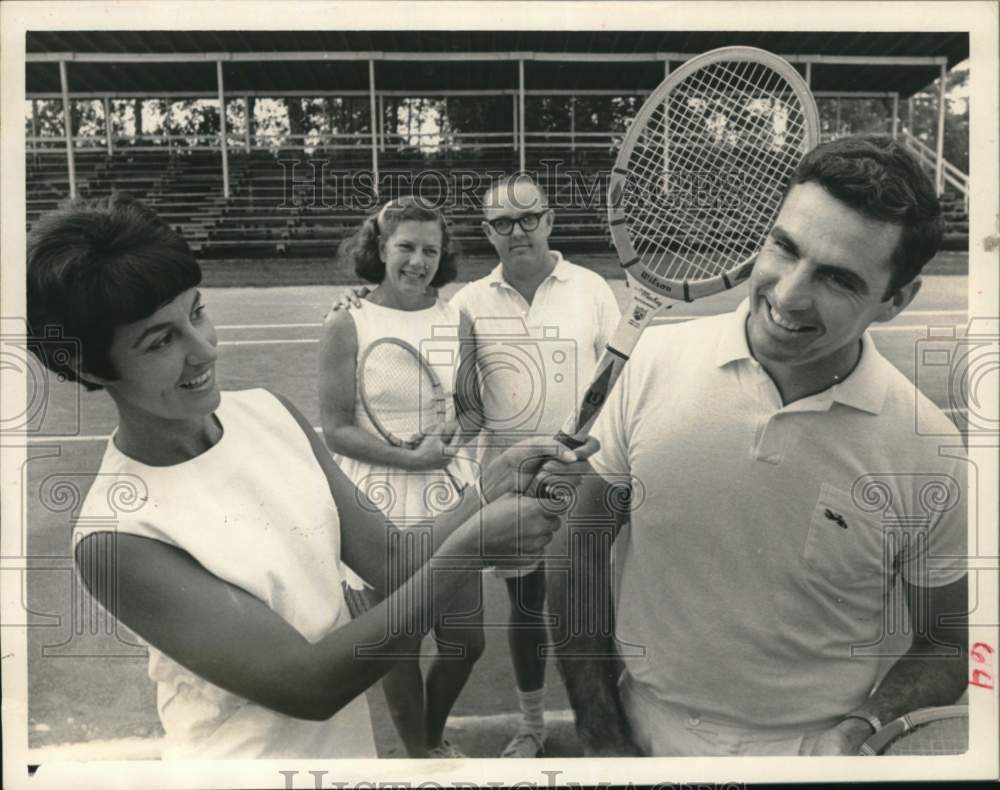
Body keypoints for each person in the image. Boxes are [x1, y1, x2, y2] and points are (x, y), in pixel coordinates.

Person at [26, 193, 591, 760]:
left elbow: (394, 563)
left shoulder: (267, 412)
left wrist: (487, 488)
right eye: (161, 340)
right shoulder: (116, 535)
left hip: (346, 758)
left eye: (196, 312)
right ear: (86, 364)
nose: (205, 351)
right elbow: (312, 684)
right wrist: (470, 549)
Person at [547, 135, 969, 756]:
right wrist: (600, 729)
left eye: (838, 279)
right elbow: (578, 548)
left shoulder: (929, 447)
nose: (790, 294)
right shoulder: (655, 360)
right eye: (785, 247)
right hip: (640, 727)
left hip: (814, 753)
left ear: (895, 300)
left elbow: (948, 642)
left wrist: (865, 727)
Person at [332, 176, 622, 757]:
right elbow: (452, 410)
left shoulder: (591, 290)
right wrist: (434, 446)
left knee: (588, 606)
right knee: (517, 609)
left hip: (583, 477)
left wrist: (582, 446)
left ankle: (607, 726)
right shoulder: (467, 303)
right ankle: (524, 727)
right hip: (506, 484)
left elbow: (611, 380)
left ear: (550, 219)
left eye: (528, 217)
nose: (518, 232)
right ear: (488, 233)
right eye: (502, 223)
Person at [318, 196, 484, 758]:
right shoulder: (347, 321)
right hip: (375, 504)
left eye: (430, 250)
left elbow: (471, 406)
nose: (419, 261)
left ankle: (430, 736)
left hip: (448, 495)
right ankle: (421, 757)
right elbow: (337, 429)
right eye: (406, 247)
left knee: (466, 640)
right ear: (380, 249)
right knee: (399, 647)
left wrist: (451, 437)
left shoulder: (453, 317)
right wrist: (412, 460)